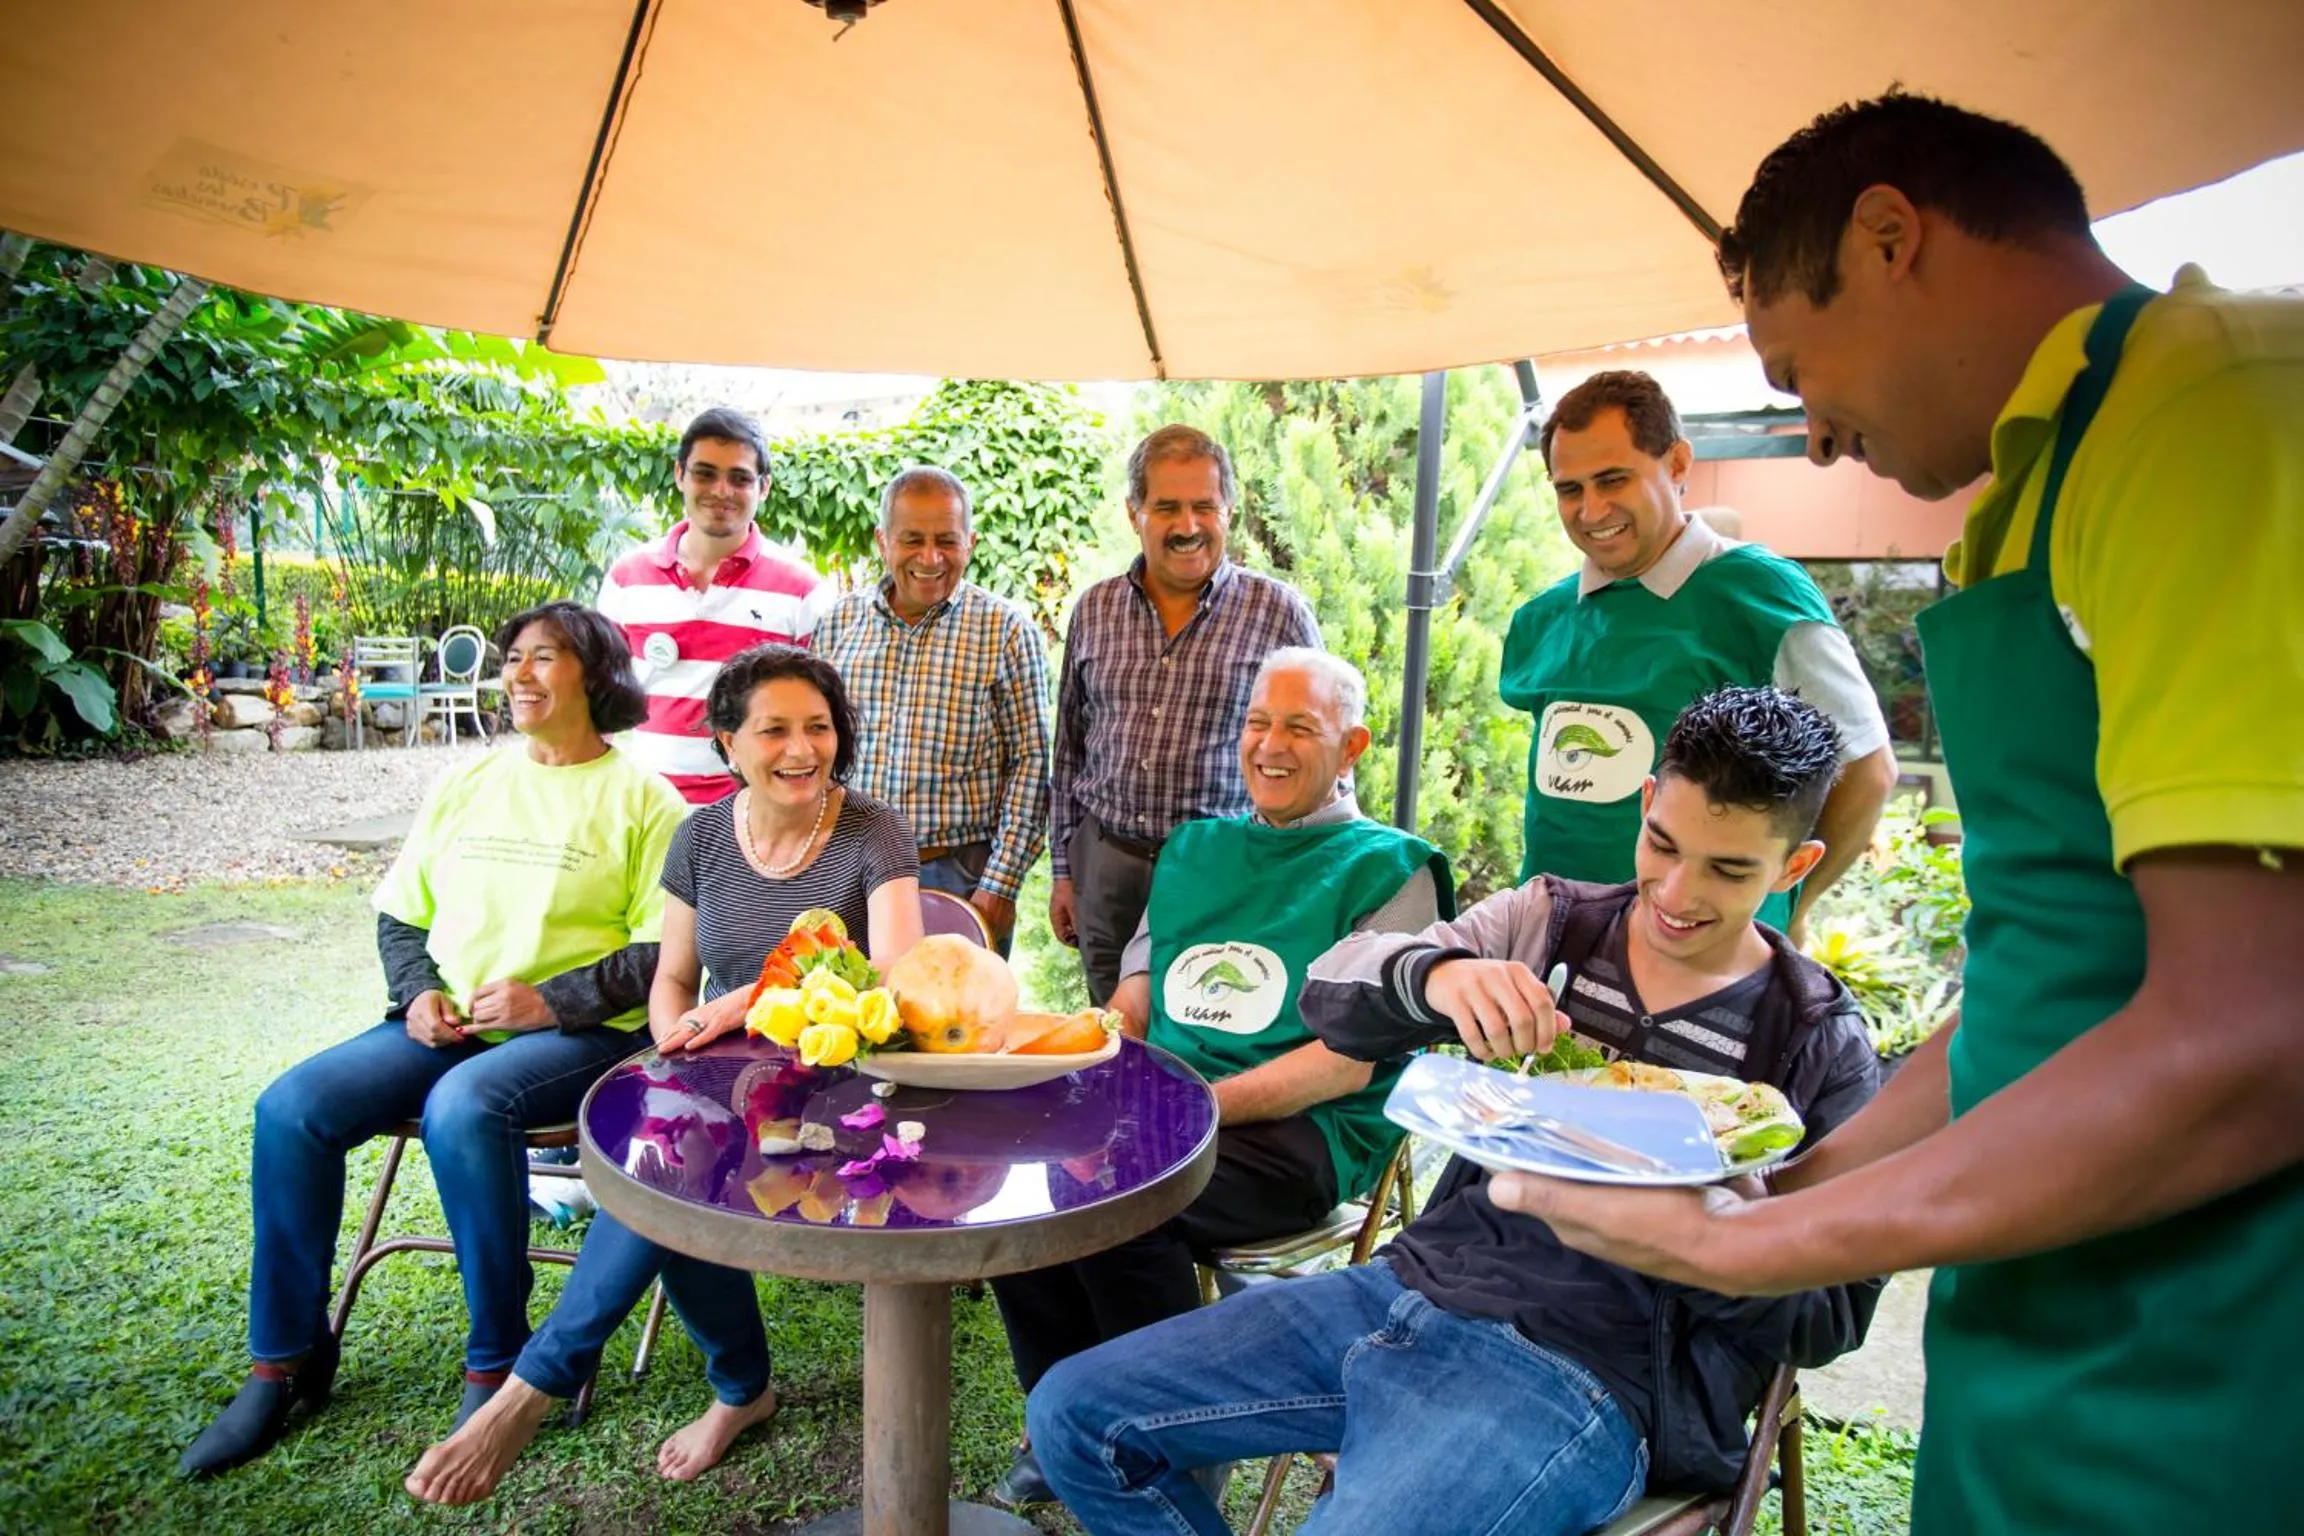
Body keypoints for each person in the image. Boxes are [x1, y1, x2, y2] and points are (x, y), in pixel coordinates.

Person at [1484, 94, 2304, 1536]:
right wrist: (1778, 1177)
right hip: (2041, 1308)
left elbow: (2251, 1032)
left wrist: (1771, 1245)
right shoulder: (2028, 496)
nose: (1811, 436)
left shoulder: (2207, 404)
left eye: (1800, 368)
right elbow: (2038, 996)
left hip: (2210, 1347)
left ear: (1888, 238)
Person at [1025, 688, 1882, 1535]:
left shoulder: (1815, 1044)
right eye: (1662, 844)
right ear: (1648, 801)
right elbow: (1333, 995)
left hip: (1591, 1373)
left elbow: (1831, 1315)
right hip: (1411, 1289)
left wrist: (1711, 1222)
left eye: (1730, 869)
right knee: (1074, 1416)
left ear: (1796, 866)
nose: (1678, 892)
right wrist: (1435, 977)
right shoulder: (1550, 921)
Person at [405, 645, 925, 1506]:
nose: (803, 749)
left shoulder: (874, 831)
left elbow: (896, 977)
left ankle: (537, 1387)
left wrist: (752, 1001)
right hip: (719, 1074)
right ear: (728, 743)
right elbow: (674, 982)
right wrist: (678, 1049)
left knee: (679, 1161)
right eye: (775, 730)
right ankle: (741, 1391)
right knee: (675, 1150)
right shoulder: (702, 837)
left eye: (819, 728)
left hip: (845, 1081)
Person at [178, 602, 686, 1477]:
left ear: (596, 675)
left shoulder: (647, 800)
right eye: (512, 659)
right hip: (447, 1026)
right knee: (291, 1108)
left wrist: (548, 1001)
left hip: (586, 1040)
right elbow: (399, 916)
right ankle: (285, 1359)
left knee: (463, 1106)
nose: (517, 674)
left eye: (543, 659)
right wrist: (416, 996)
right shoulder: (468, 782)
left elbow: (662, 954)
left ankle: (499, 1357)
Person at [991, 648, 1453, 1509]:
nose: (1270, 746)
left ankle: (1171, 1446)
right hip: (1157, 1106)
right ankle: (1058, 1417)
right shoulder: (1196, 846)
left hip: (1303, 1132)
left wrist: (1193, 1110)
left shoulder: (1394, 870)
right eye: (1258, 723)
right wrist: (1101, 1043)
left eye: (1300, 728)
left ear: (1351, 747)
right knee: (1025, 1190)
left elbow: (1343, 1061)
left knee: (1124, 1205)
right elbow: (1137, 988)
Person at [1502, 369, 1896, 938]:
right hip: (1555, 950)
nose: (1590, 510)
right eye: (1570, 488)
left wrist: (1790, 907)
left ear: (1679, 465)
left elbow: (1869, 772)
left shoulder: (1761, 595)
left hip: (1706, 972)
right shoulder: (1545, 616)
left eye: (1614, 480)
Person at [1049, 424, 1323, 1003]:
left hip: (1223, 871)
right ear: (1133, 513)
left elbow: (1321, 759)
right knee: (1114, 1030)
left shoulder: (1279, 614)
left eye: (1205, 506)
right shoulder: (1095, 608)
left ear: (1229, 511)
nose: (1188, 526)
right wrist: (1064, 873)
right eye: (1166, 507)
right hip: (1108, 867)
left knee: (1213, 1023)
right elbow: (1069, 748)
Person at [812, 465, 1052, 954]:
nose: (930, 557)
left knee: (953, 1023)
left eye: (947, 540)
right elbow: (817, 750)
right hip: (850, 869)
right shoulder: (837, 625)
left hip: (957, 874)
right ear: (883, 541)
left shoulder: (1004, 631)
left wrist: (999, 885)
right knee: (848, 1017)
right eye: (911, 540)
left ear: (971, 542)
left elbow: (1031, 764)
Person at [597, 406, 829, 804]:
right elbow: (599, 701)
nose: (721, 491)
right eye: (705, 473)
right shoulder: (626, 579)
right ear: (679, 475)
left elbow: (816, 718)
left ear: (764, 487)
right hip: (646, 810)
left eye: (739, 478)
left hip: (754, 819)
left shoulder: (803, 591)